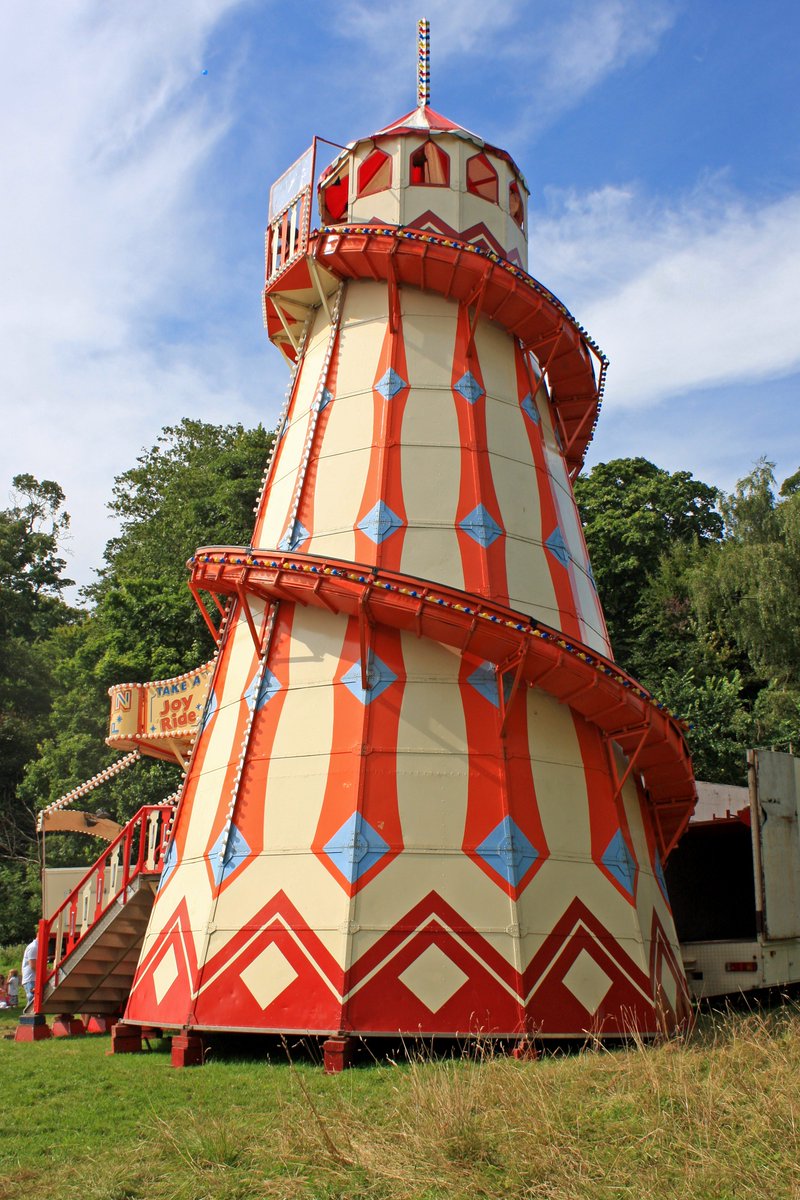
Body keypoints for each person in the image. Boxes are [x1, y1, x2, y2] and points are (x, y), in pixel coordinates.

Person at [21, 936, 38, 1006]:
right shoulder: (34, 947)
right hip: (31, 979)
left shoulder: (36, 946)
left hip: (32, 978)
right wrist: (48, 972)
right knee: (33, 1001)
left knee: (33, 1001)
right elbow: (33, 966)